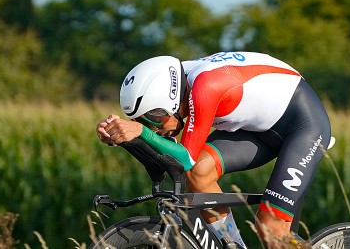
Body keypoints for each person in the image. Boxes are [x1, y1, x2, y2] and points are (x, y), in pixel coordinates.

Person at [96, 52, 332, 249]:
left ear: (172, 102)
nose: (152, 127)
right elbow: (181, 162)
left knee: (271, 229)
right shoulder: (179, 82)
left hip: (302, 125)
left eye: (153, 118)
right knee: (198, 172)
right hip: (254, 128)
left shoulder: (205, 86)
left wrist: (139, 132)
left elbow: (183, 158)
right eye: (141, 120)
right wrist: (122, 137)